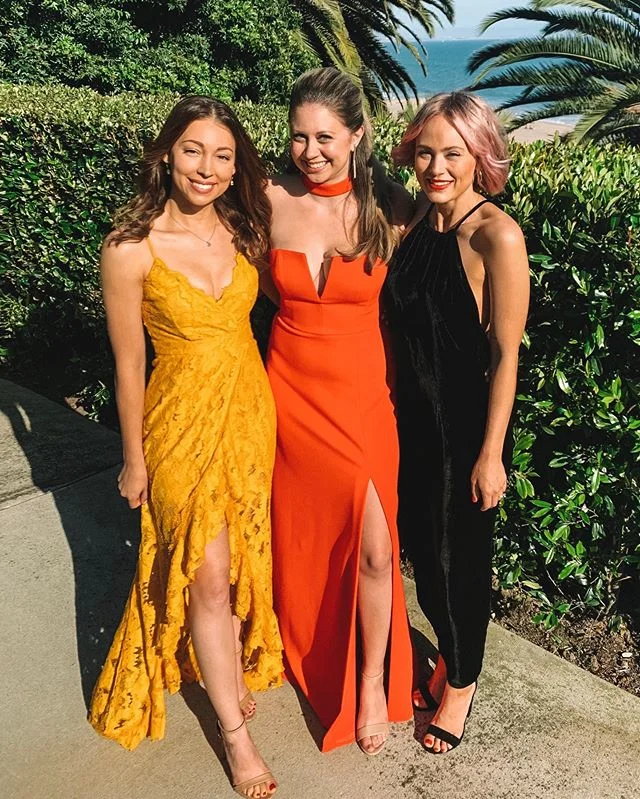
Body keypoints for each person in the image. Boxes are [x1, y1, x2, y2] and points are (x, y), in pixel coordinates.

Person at [88, 96, 282, 798]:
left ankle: (219, 668)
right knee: (204, 568)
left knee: (234, 561)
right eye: (194, 149)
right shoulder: (129, 248)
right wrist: (133, 458)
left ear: (237, 167)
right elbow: (128, 365)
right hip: (176, 424)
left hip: (249, 416)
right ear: (166, 152)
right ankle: (235, 733)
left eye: (223, 155)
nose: (207, 167)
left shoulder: (246, 227)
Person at [264, 67, 414, 755]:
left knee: (378, 549)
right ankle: (294, 639)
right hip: (289, 389)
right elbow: (244, 278)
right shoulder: (268, 198)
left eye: (325, 137)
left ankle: (372, 682)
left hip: (362, 395)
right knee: (302, 532)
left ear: (356, 135)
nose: (310, 151)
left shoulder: (392, 206)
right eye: (299, 136)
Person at [384, 91, 530, 754]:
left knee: (455, 562)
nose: (437, 167)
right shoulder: (416, 217)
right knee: (420, 549)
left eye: (453, 152)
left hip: (461, 431)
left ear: (480, 156)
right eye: (425, 152)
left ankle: (463, 681)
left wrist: (491, 453)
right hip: (407, 421)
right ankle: (449, 650)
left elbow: (506, 354)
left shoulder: (496, 234)